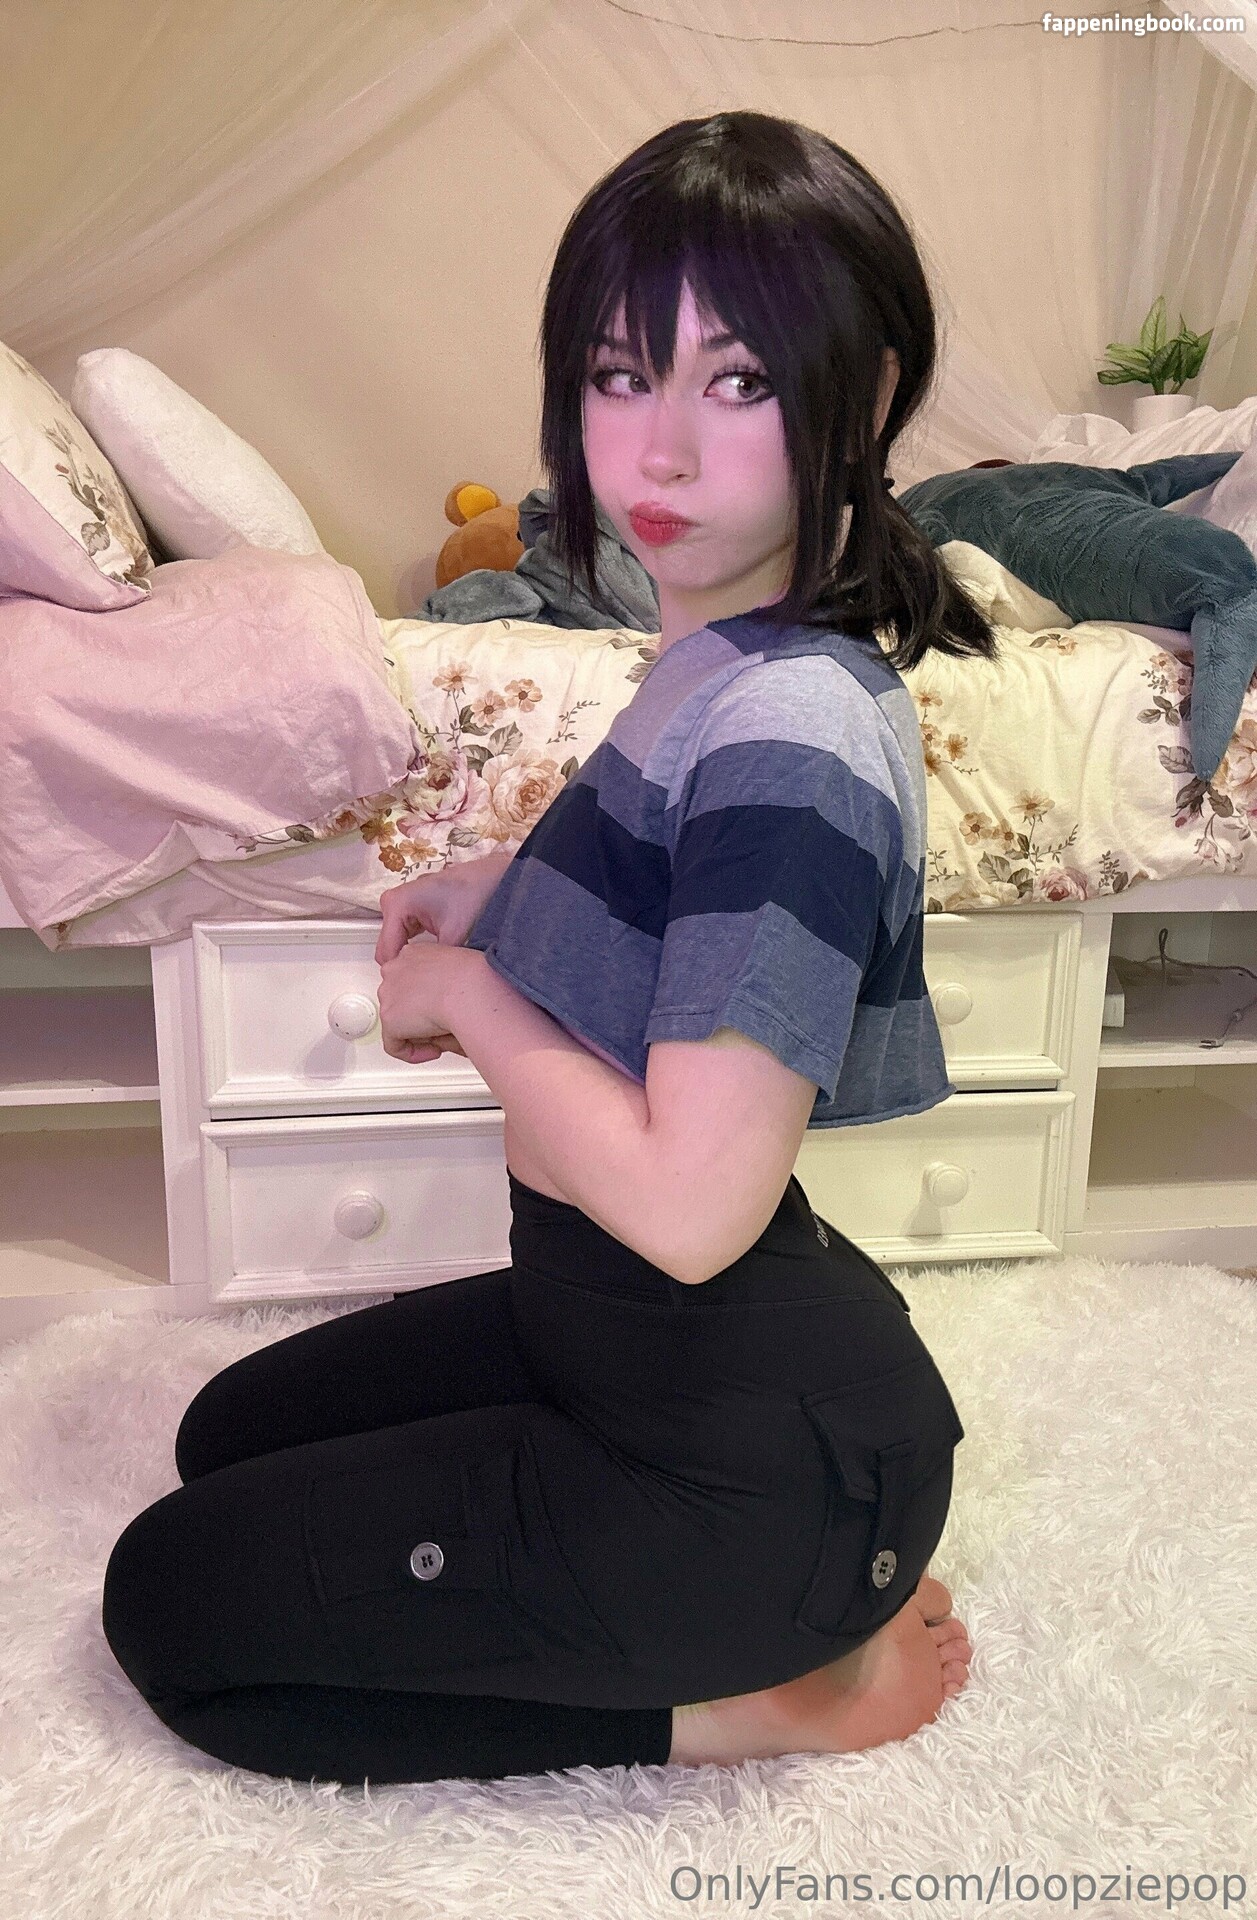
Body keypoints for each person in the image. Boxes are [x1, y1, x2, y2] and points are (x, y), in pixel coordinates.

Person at [102, 109, 998, 1788]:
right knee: (225, 1435)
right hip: (635, 1345)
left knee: (171, 1604)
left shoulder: (791, 730)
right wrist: (496, 892)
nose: (659, 450)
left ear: (866, 395)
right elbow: (660, 871)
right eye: (616, 373)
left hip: (737, 1477)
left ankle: (759, 1697)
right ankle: (795, 1590)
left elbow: (688, 1203)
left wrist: (473, 996)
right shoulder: (724, 656)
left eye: (737, 380)